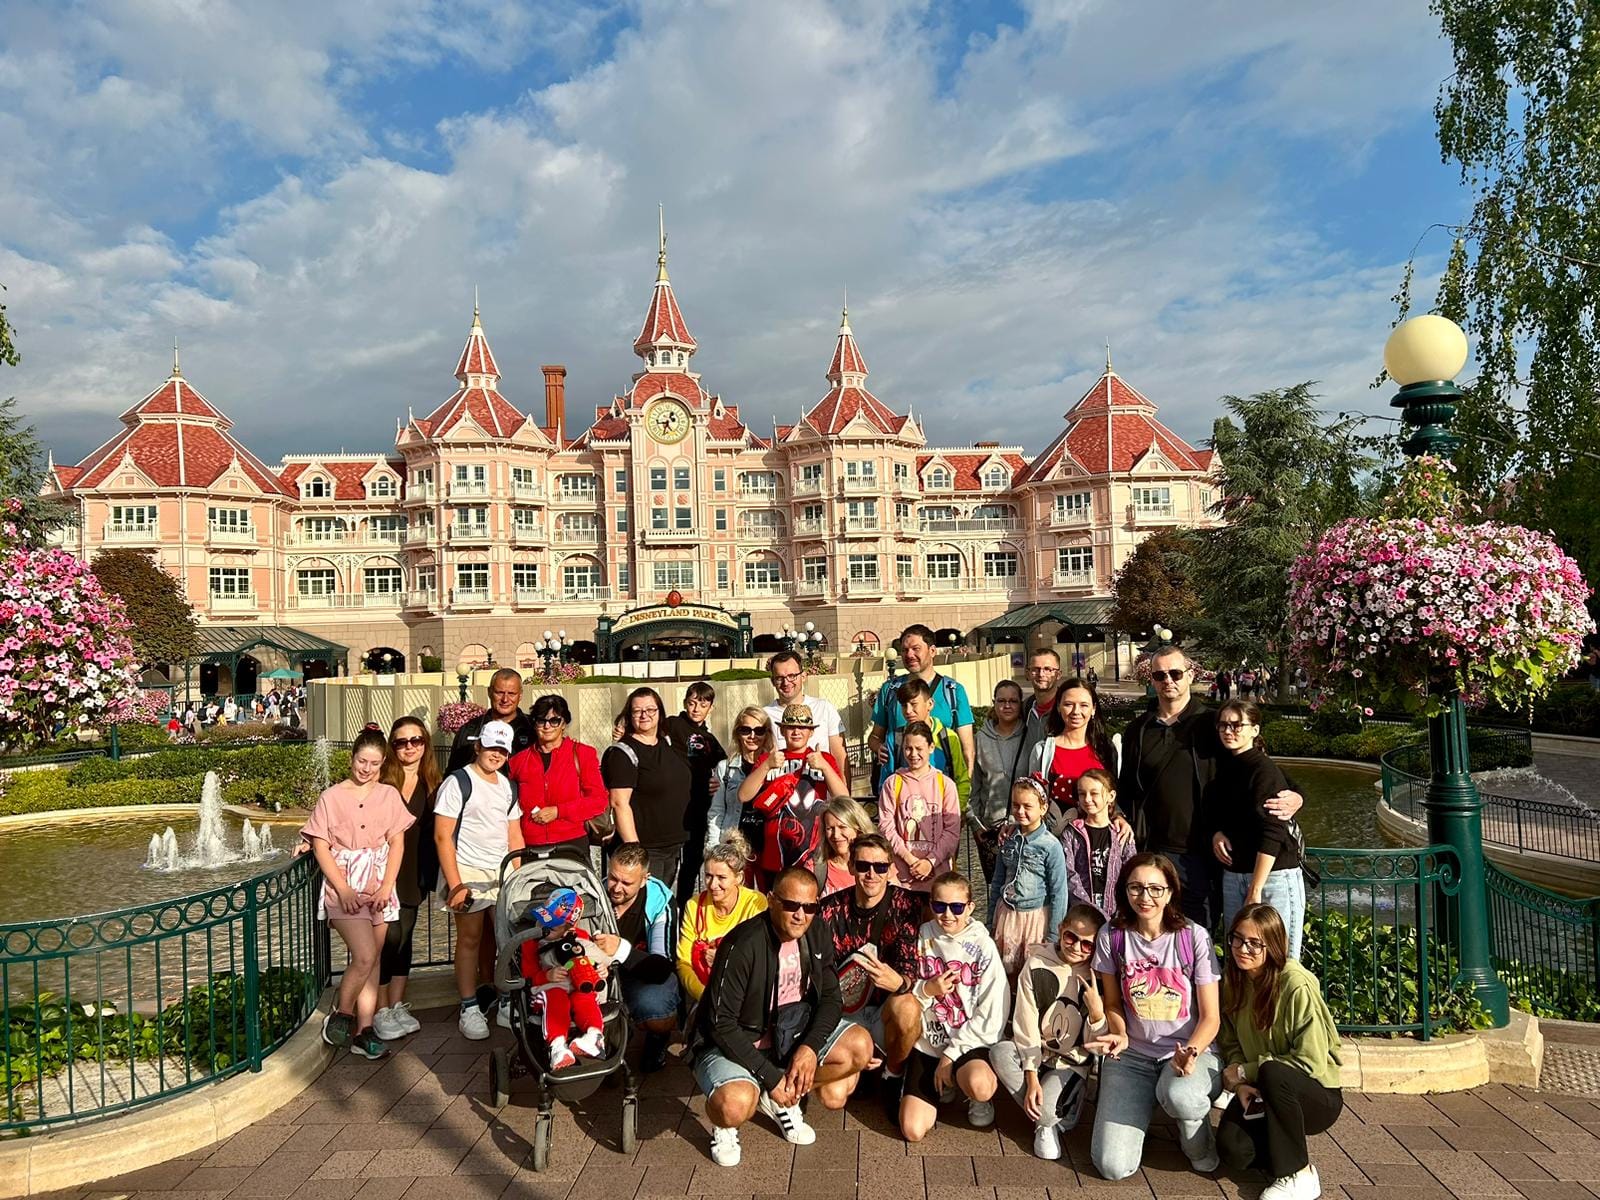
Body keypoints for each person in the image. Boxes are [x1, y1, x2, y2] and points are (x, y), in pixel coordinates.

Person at [690, 867, 874, 1167]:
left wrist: (810, 1047)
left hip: (789, 1033)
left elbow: (831, 998)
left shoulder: (816, 931)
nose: (801, 915)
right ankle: (725, 1125)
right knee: (735, 1105)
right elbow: (721, 1024)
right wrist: (771, 1076)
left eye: (810, 907)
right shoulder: (743, 944)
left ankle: (782, 1099)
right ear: (771, 900)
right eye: (791, 905)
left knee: (859, 1047)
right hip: (735, 1040)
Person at [1118, 648, 1301, 927]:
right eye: (1160, 675)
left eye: (1175, 673)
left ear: (1190, 675)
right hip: (1153, 852)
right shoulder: (1138, 730)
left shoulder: (1213, 723)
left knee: (1199, 934)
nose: (1168, 680)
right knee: (1154, 934)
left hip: (1202, 855)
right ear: (1152, 679)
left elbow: (1257, 765)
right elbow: (1126, 786)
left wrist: (1298, 795)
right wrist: (1120, 816)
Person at [1089, 852, 1223, 1181]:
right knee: (1112, 1166)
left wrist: (1191, 1052)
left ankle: (1200, 1144)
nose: (1145, 897)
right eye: (1135, 888)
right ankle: (1144, 1104)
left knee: (1180, 1097)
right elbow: (1113, 1003)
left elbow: (1211, 1018)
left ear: (1170, 892)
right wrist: (1119, 1032)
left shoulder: (1193, 937)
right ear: (1124, 890)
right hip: (1133, 1056)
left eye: (1155, 889)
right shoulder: (1112, 936)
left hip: (1187, 1051)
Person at [301, 727, 414, 1060]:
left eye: (374, 764)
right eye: (362, 761)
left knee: (373, 960)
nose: (366, 769)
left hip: (378, 883)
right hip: (346, 883)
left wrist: (387, 885)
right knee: (364, 955)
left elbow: (397, 843)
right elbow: (320, 845)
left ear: (382, 764)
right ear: (352, 758)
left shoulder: (389, 795)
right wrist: (342, 888)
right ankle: (343, 1013)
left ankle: (364, 1030)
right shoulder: (331, 797)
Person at [1218, 904, 1343, 1200]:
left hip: (1314, 1093)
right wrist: (1240, 1084)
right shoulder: (1233, 980)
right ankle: (1281, 1148)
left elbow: (1311, 1060)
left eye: (1254, 943)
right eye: (1237, 939)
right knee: (1233, 1150)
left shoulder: (1295, 984)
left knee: (1273, 1072)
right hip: (1260, 1087)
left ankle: (1298, 1174)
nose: (1242, 949)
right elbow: (1230, 1041)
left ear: (1273, 945)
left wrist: (1245, 1070)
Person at [991, 904, 1109, 1160]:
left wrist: (1097, 1014)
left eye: (1087, 944)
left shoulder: (1099, 976)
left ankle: (1050, 1117)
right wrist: (1031, 1076)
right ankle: (1049, 1114)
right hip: (1038, 1051)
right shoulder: (1037, 963)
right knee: (1000, 1052)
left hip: (1071, 1061)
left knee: (1045, 1112)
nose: (1076, 948)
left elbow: (1098, 1047)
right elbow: (1025, 1022)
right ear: (1060, 929)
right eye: (1071, 937)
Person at [897, 872, 1008, 1141]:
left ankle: (973, 1094)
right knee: (912, 1130)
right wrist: (927, 990)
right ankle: (942, 1083)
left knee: (980, 1085)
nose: (947, 914)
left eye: (956, 907)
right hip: (930, 1040)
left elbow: (993, 1013)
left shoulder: (983, 946)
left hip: (968, 1041)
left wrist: (950, 1055)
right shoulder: (923, 935)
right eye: (939, 906)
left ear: (970, 907)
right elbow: (907, 989)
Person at [433, 719, 525, 1040]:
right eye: (491, 747)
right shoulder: (458, 782)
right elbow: (443, 836)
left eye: (502, 749)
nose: (496, 754)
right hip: (467, 869)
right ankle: (469, 1006)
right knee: (470, 938)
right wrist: (455, 884)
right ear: (478, 746)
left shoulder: (508, 787)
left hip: (501, 871)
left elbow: (514, 835)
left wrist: (518, 877)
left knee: (506, 939)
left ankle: (505, 999)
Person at [817, 833, 923, 1070]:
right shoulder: (828, 909)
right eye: (863, 866)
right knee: (837, 1090)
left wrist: (899, 983)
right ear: (851, 867)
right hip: (842, 1011)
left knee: (908, 1007)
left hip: (884, 1010)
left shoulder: (905, 904)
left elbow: (909, 965)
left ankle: (893, 1074)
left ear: (890, 869)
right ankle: (857, 1058)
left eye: (880, 867)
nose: (871, 874)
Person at [1212, 702, 1307, 959]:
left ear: (1254, 730)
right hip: (1235, 872)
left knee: (1278, 958)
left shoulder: (1263, 769)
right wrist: (1217, 832)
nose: (1228, 731)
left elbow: (1273, 831)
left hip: (1271, 876)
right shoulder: (1226, 765)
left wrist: (1256, 888)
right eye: (1223, 725)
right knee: (1240, 956)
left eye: (1236, 725)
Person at [373, 716, 442, 1041]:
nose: (409, 747)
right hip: (384, 870)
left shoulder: (434, 783)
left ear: (425, 744)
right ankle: (380, 1008)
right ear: (393, 746)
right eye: (401, 742)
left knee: (405, 937)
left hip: (416, 869)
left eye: (416, 740)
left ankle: (397, 1004)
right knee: (389, 937)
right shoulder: (381, 780)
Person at [590, 844, 680, 1072]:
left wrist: (621, 949)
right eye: (613, 878)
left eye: (626, 883)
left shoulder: (660, 901)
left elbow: (662, 967)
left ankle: (656, 1038)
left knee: (657, 1009)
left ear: (644, 880)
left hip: (643, 975)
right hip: (600, 973)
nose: (616, 888)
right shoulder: (594, 895)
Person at [737, 704, 848, 884]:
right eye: (790, 727)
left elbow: (844, 799)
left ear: (811, 732)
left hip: (812, 852)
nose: (796, 732)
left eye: (802, 727)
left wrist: (825, 767)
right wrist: (767, 765)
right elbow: (743, 795)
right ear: (782, 730)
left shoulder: (823, 758)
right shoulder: (769, 759)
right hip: (775, 852)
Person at [603, 687, 693, 889]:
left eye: (651, 709)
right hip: (647, 848)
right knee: (645, 901)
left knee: (662, 900)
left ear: (660, 712)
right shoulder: (623, 753)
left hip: (673, 844)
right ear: (629, 715)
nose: (645, 715)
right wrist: (636, 854)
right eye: (637, 711)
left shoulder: (668, 743)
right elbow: (619, 804)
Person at [869, 623, 975, 792]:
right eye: (905, 650)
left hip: (941, 791)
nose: (909, 655)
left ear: (932, 651)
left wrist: (962, 795)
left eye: (915, 649)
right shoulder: (890, 690)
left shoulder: (953, 691)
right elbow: (875, 737)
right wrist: (879, 748)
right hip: (901, 791)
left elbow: (967, 749)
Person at [506, 694, 607, 862]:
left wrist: (558, 811)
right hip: (531, 846)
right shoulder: (518, 761)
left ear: (563, 724)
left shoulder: (582, 754)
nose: (547, 726)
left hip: (571, 844)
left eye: (554, 721)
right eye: (541, 721)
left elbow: (598, 800)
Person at [523, 886, 614, 1069]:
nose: (544, 927)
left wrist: (602, 969)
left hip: (578, 987)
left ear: (568, 929)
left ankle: (594, 1037)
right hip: (548, 992)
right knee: (556, 996)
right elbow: (528, 976)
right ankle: (557, 1046)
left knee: (585, 995)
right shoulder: (531, 941)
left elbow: (592, 960)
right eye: (543, 919)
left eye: (552, 926)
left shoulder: (581, 938)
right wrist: (546, 975)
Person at [988, 777, 1070, 978]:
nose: (1020, 811)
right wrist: (990, 921)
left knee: (1031, 974)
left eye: (1027, 806)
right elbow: (997, 881)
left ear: (1043, 808)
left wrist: (1053, 935)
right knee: (1004, 973)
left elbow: (1059, 892)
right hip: (1006, 915)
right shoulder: (1007, 839)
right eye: (1016, 805)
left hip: (1035, 918)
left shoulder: (1051, 846)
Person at [677, 832, 768, 1004]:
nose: (713, 885)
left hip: (743, 994)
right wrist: (705, 997)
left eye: (722, 878)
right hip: (702, 994)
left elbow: (759, 960)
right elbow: (683, 962)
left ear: (739, 878)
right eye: (708, 876)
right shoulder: (694, 905)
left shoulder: (755, 903)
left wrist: (723, 958)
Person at [877, 721, 961, 892]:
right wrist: (909, 859)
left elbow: (952, 831)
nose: (913, 754)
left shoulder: (945, 785)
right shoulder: (893, 783)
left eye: (919, 749)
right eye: (908, 748)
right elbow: (886, 827)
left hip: (938, 877)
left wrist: (930, 861)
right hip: (901, 877)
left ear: (931, 748)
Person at [667, 681, 728, 901]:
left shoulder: (711, 740)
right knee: (669, 863)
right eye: (692, 703)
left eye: (702, 705)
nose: (696, 709)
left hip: (698, 809)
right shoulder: (673, 724)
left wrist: (717, 782)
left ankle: (684, 907)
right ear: (685, 703)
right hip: (673, 806)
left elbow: (725, 767)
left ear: (710, 708)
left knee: (692, 864)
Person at [1026, 677, 1117, 813]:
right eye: (1068, 704)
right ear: (1058, 707)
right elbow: (1032, 798)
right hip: (1056, 825)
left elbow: (1115, 794)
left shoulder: (1105, 748)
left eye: (1084, 705)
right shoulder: (1043, 751)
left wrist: (1118, 816)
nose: (1076, 711)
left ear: (1093, 709)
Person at [970, 679, 1028, 884]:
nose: (1007, 706)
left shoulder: (1029, 736)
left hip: (1024, 828)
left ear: (1020, 704)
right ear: (994, 703)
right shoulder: (980, 739)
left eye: (1013, 701)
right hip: (992, 831)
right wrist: (976, 825)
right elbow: (973, 786)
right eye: (1002, 701)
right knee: (996, 892)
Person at [880, 677, 970, 807]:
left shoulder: (948, 737)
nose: (908, 711)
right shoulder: (895, 739)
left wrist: (957, 812)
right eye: (904, 705)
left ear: (930, 704)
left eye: (913, 704)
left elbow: (961, 779)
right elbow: (886, 784)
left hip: (942, 815)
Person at [1064, 768, 1138, 919]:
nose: (1087, 799)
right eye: (1082, 793)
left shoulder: (1122, 834)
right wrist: (1088, 909)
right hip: (1082, 914)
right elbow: (1069, 874)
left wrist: (1122, 910)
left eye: (1094, 793)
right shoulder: (1071, 833)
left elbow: (1132, 874)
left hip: (1116, 914)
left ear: (1111, 796)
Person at [706, 706, 775, 859]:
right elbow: (717, 811)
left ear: (767, 733)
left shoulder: (776, 767)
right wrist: (713, 848)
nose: (752, 736)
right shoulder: (725, 768)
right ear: (737, 733)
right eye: (745, 730)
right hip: (734, 846)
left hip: (767, 846)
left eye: (759, 730)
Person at [763, 650, 848, 769]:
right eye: (779, 678)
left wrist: (843, 782)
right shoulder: (765, 716)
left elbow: (840, 756)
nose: (786, 682)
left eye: (792, 676)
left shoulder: (824, 708)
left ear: (803, 676)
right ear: (773, 681)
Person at [446, 667, 536, 774]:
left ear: (520, 695)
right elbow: (453, 771)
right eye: (499, 693)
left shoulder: (533, 729)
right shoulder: (470, 729)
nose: (505, 699)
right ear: (489, 692)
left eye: (511, 694)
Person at [819, 796, 876, 895]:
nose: (836, 835)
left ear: (858, 828)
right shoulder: (816, 870)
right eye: (830, 828)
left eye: (842, 827)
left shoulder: (880, 866)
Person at [1018, 648, 1063, 773]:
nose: (1041, 674)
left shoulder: (1068, 709)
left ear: (1058, 674)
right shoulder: (1025, 708)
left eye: (1048, 669)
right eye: (1035, 669)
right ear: (1027, 673)